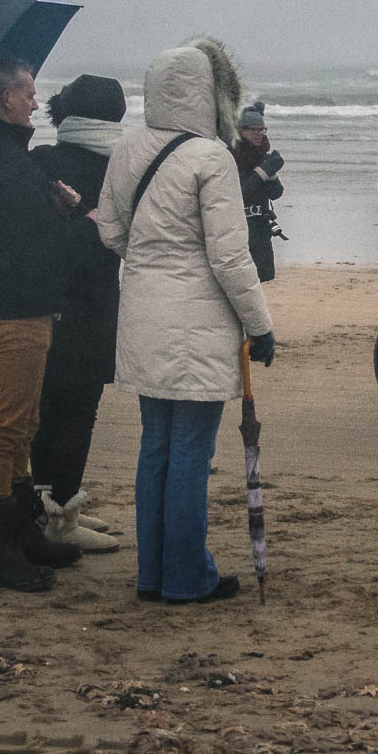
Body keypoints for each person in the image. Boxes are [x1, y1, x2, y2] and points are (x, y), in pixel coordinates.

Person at [97, 37, 273, 605]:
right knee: (192, 451)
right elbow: (228, 255)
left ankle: (153, 574)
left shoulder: (127, 149)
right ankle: (186, 577)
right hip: (197, 323)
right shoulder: (211, 157)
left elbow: (110, 230)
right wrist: (260, 324)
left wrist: (150, 264)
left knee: (157, 447)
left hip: (142, 311)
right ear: (211, 93)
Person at [0, 57, 84, 592]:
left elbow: (27, 220)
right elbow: (27, 235)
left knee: (24, 422)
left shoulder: (3, 153)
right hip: (13, 306)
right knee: (6, 425)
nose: (36, 101)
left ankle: (22, 531)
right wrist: (64, 212)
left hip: (21, 302)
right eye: (29, 94)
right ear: (5, 99)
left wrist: (54, 199)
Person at [28, 74, 128, 554]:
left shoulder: (41, 161)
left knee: (48, 409)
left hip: (44, 300)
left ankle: (44, 507)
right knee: (78, 412)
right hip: (92, 301)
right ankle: (63, 516)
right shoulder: (121, 167)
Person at [230, 101, 284, 283]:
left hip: (261, 226)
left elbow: (277, 193)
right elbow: (241, 192)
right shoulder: (230, 157)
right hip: (238, 226)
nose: (259, 134)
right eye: (255, 129)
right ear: (242, 131)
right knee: (241, 279)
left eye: (262, 129)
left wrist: (272, 173)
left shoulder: (263, 157)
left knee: (264, 277)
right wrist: (263, 171)